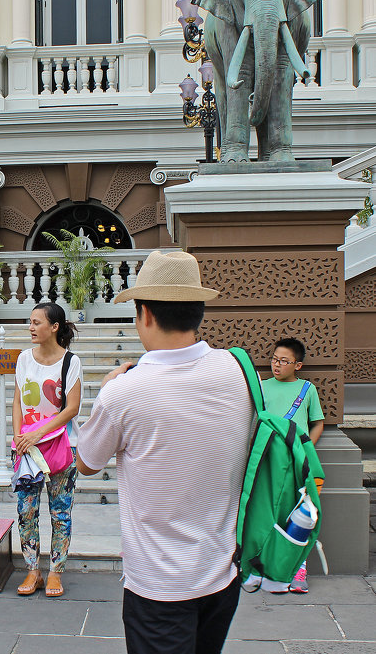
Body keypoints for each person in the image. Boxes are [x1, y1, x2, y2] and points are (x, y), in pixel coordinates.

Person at [77, 250, 254, 654]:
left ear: (146, 315)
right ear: (198, 312)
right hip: (223, 572)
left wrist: (106, 390)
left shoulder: (125, 391)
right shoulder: (239, 370)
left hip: (159, 585)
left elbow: (86, 462)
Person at [12, 302, 83, 599]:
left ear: (54, 327)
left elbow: (72, 408)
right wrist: (18, 437)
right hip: (28, 448)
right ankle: (33, 570)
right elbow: (17, 400)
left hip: (61, 447)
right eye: (30, 322)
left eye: (37, 322)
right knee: (26, 511)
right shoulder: (23, 359)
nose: (31, 327)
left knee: (60, 513)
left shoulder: (70, 361)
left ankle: (56, 572)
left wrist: (39, 432)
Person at [259, 337, 325, 594]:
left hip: (299, 461)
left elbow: (317, 422)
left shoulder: (307, 389)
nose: (277, 365)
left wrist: (307, 447)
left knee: (300, 514)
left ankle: (298, 569)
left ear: (297, 365)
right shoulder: (262, 387)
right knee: (269, 511)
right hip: (268, 459)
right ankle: (266, 566)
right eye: (274, 359)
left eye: (284, 361)